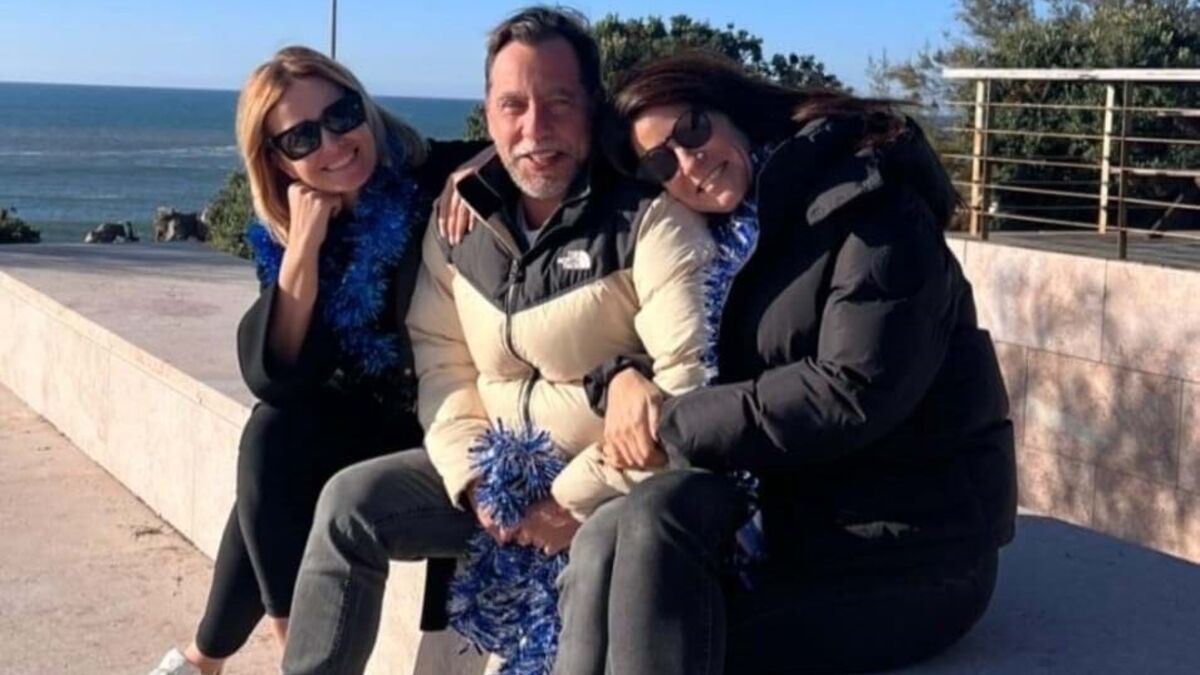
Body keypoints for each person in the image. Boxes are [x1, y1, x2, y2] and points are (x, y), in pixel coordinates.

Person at [278, 7, 714, 674]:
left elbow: (691, 385)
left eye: (559, 102)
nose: (535, 128)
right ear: (488, 114)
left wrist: (569, 500)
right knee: (348, 505)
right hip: (497, 474)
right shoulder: (461, 224)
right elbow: (442, 362)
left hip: (608, 485)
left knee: (594, 562)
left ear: (592, 107)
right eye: (514, 105)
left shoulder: (649, 222)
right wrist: (475, 479)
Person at [552, 51, 1018, 675]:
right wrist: (622, 378)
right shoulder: (739, 236)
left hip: (913, 554)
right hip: (804, 533)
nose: (689, 163)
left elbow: (852, 390)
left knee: (672, 619)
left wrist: (670, 421)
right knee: (622, 531)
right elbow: (721, 349)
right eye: (661, 163)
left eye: (691, 129)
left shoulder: (874, 210)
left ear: (730, 109)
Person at [147, 46, 483, 675]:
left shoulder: (426, 173)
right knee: (273, 436)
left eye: (342, 114)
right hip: (356, 426)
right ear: (277, 159)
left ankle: (207, 661)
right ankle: (285, 649)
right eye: (302, 137)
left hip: (441, 417)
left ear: (364, 106)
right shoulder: (285, 234)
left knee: (275, 462)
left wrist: (481, 169)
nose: (333, 142)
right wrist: (303, 245)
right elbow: (275, 376)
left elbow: (534, 145)